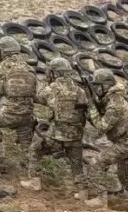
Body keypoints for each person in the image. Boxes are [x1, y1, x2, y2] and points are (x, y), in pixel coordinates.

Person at [20, 58, 87, 192]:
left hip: (56, 135)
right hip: (75, 134)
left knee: (35, 150)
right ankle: (82, 192)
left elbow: (39, 98)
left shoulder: (51, 89)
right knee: (76, 164)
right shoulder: (80, 91)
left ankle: (34, 181)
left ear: (55, 73)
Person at [84, 68, 128, 208]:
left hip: (125, 143)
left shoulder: (115, 104)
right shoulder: (114, 98)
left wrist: (91, 109)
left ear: (107, 85)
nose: (96, 88)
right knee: (123, 173)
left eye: (98, 85)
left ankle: (101, 199)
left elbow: (101, 129)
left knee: (97, 163)